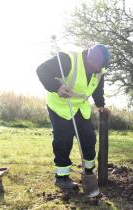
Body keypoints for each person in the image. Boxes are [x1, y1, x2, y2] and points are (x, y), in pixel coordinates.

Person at [36, 44, 110, 189]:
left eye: (101, 68)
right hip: (60, 106)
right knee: (64, 139)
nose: (99, 71)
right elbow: (42, 70)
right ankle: (62, 177)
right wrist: (56, 87)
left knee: (89, 137)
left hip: (79, 107)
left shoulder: (99, 70)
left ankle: (89, 172)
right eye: (97, 67)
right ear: (90, 60)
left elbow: (97, 87)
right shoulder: (67, 59)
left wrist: (100, 103)